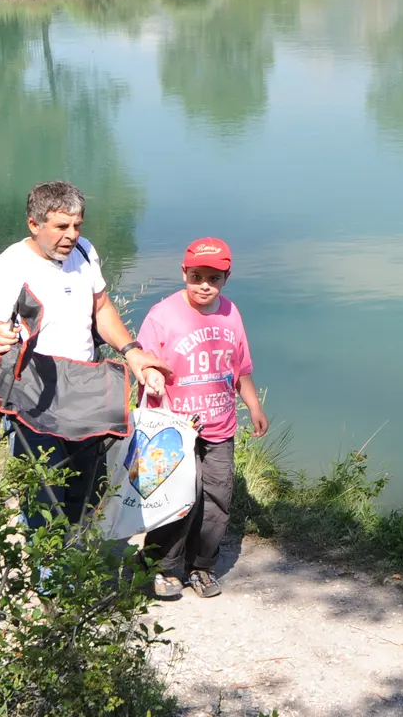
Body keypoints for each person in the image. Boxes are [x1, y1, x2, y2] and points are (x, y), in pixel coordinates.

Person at [0, 180, 169, 528]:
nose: (72, 234)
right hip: (34, 392)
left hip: (85, 386)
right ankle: (48, 576)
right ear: (34, 224)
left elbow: (102, 307)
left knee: (88, 488)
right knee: (44, 494)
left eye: (77, 225)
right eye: (62, 226)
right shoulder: (6, 268)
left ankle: (78, 565)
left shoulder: (84, 252)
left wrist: (132, 352)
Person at [135, 237, 268, 599]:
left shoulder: (231, 313)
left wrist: (253, 405)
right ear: (184, 273)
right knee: (178, 497)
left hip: (220, 426)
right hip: (172, 428)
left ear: (226, 277)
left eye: (214, 277)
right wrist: (152, 375)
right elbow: (142, 362)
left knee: (217, 497)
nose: (204, 285)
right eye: (196, 276)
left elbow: (240, 368)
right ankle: (159, 566)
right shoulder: (162, 315)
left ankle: (201, 567)